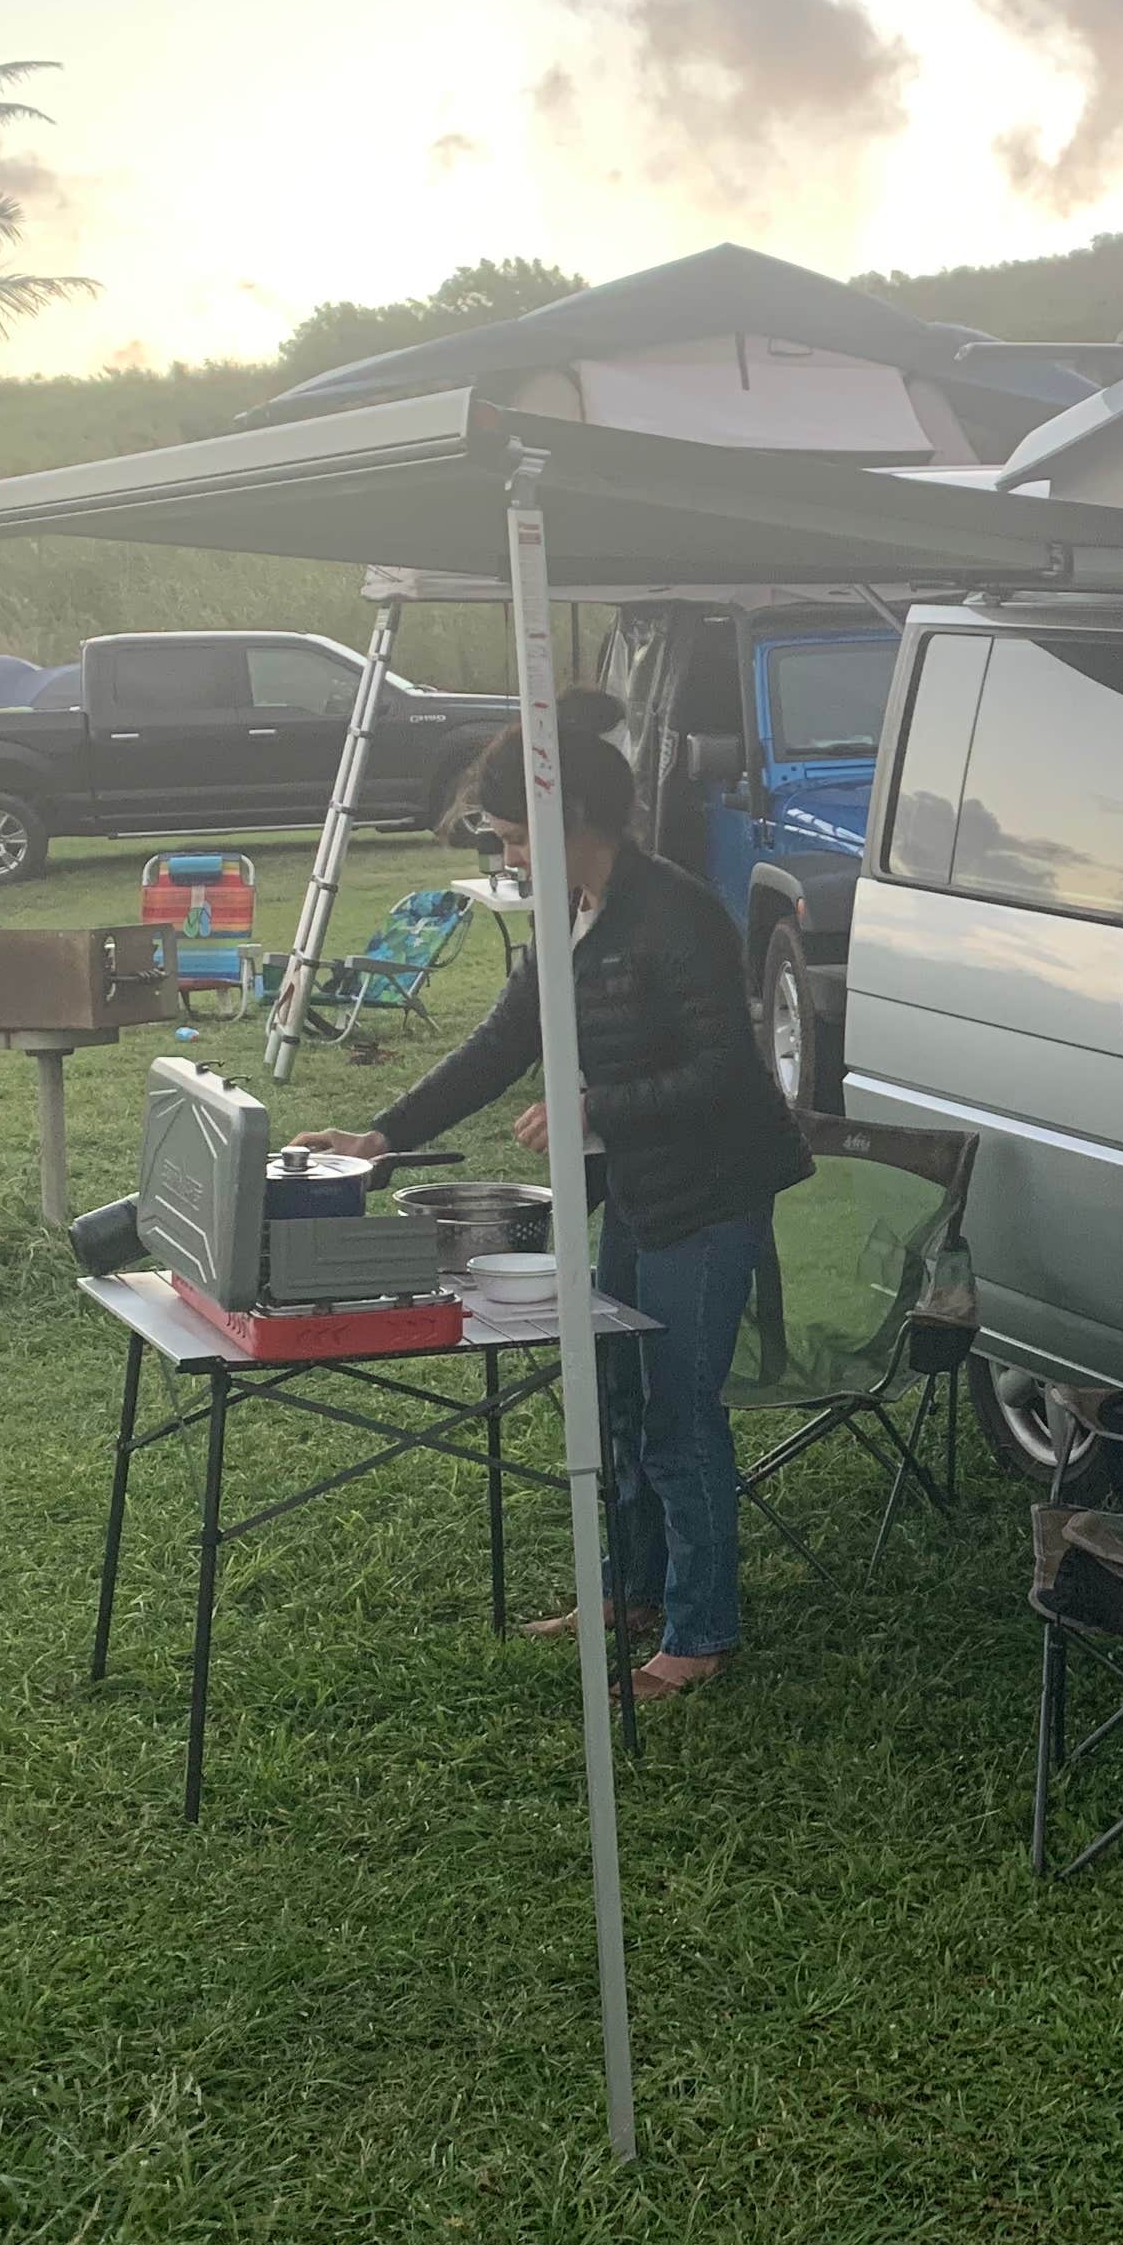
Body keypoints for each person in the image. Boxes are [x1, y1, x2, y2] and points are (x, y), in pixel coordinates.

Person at [293, 689, 806, 1700]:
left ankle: (700, 1636)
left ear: (572, 821)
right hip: (640, 1192)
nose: (507, 857)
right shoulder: (570, 919)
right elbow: (499, 1046)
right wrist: (381, 1137)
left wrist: (595, 1103)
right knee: (615, 1395)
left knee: (678, 1411)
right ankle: (633, 1589)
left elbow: (733, 1078)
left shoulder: (677, 915)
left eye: (511, 835)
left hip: (713, 1194)